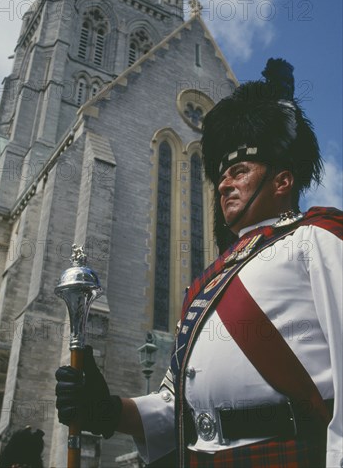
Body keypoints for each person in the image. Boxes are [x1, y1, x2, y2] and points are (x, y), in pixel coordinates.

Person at [56, 59, 343, 467]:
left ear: (282, 180)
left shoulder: (318, 238)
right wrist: (108, 410)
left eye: (240, 170)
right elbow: (176, 407)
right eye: (221, 174)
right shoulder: (208, 281)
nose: (223, 183)